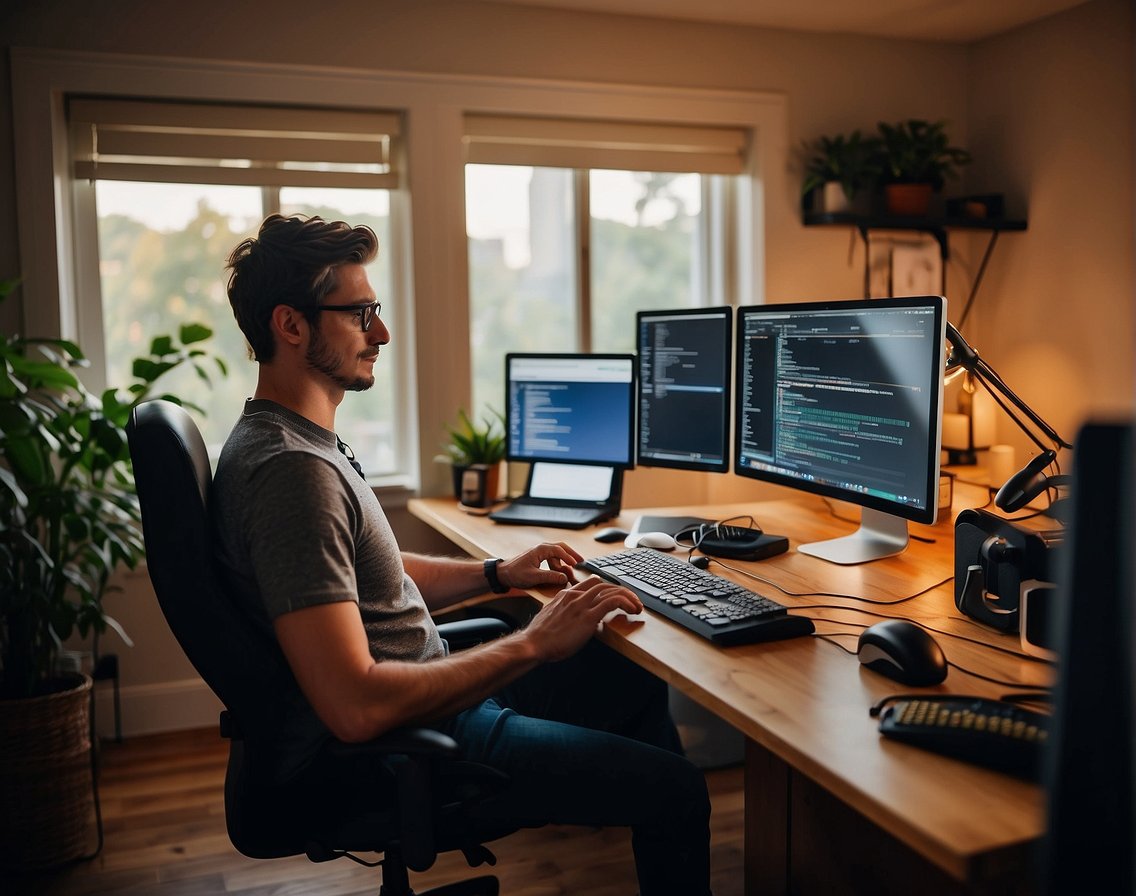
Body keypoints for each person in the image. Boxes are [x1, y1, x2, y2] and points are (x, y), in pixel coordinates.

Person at [211, 214, 712, 895]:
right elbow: (355, 706)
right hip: (415, 741)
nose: (380, 333)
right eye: (360, 314)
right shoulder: (290, 474)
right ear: (291, 325)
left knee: (630, 678)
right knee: (678, 791)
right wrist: (532, 644)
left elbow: (360, 577)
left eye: (376, 311)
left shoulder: (301, 443)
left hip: (432, 692)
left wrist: (497, 573)